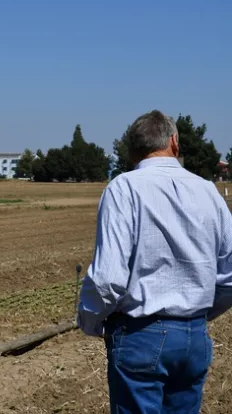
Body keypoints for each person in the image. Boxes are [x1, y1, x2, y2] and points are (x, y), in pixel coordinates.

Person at [77, 110, 232, 413]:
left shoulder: (124, 188)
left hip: (140, 335)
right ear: (175, 142)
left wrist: (91, 321)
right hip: (194, 335)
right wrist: (195, 318)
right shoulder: (208, 191)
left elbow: (108, 279)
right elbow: (230, 275)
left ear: (131, 150)